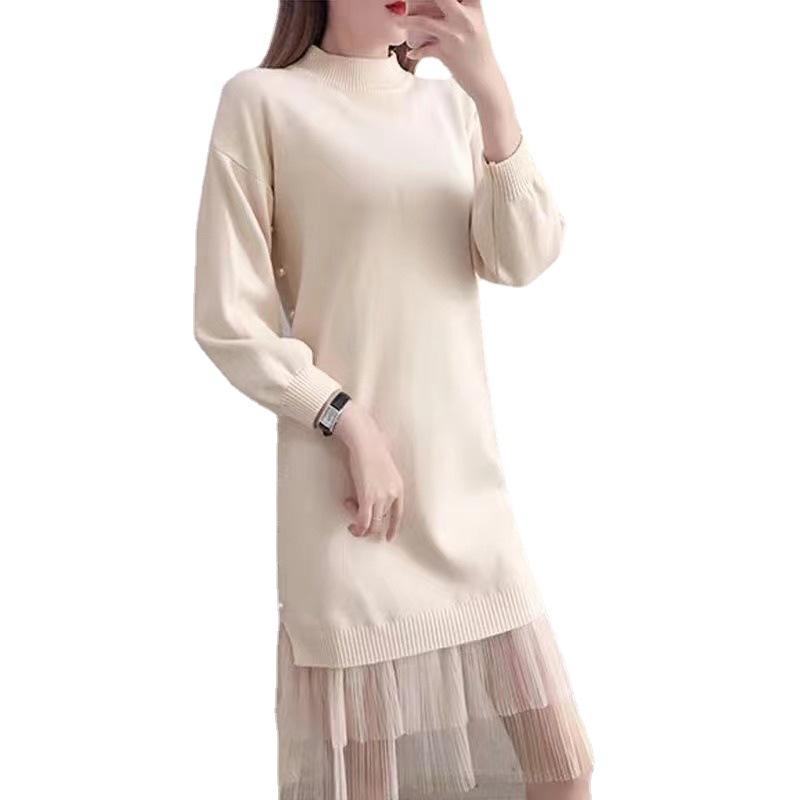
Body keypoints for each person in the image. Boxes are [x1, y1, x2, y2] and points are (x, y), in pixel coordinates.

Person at [193, 1, 595, 797]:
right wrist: (346, 420)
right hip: (352, 508)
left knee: (562, 770)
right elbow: (228, 319)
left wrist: (490, 90)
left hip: (467, 502)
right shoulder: (263, 102)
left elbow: (523, 256)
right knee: (369, 785)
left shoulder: (451, 107)